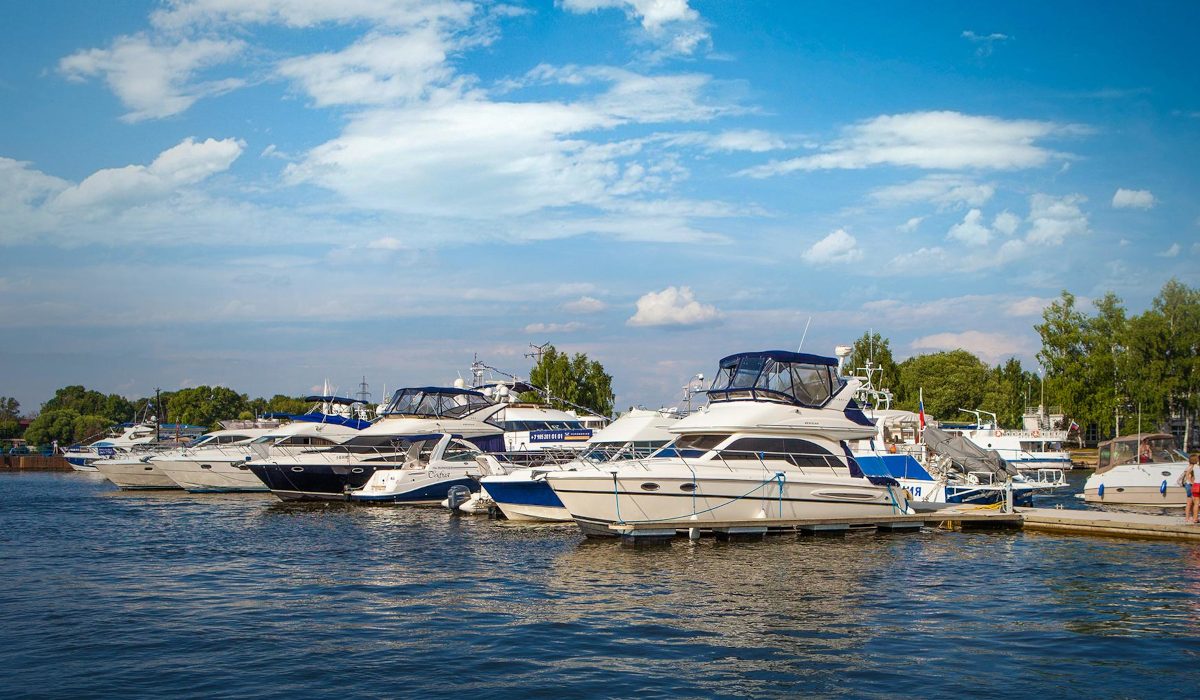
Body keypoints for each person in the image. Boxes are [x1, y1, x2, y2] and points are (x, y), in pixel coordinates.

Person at [1186, 454, 1200, 524]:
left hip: (1195, 485)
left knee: (1196, 504)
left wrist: (1191, 481)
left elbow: (1187, 473)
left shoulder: (1194, 466)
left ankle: (1195, 519)